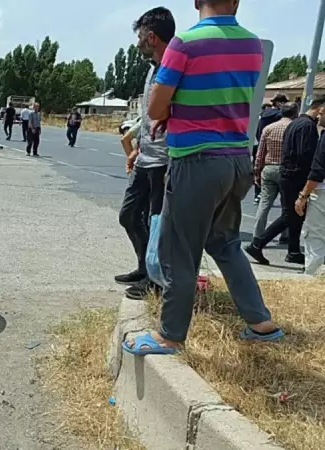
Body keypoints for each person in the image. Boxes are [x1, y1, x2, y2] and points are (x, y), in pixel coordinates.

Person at [124, 0, 282, 356]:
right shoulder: (251, 44)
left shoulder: (185, 43)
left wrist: (172, 111)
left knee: (178, 250)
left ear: (196, 1)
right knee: (224, 242)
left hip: (196, 161)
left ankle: (169, 336)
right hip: (237, 158)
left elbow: (154, 107)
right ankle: (261, 323)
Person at [114, 6, 174, 300]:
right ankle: (144, 266)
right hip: (145, 157)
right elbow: (150, 118)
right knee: (128, 215)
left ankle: (155, 280)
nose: (137, 42)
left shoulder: (173, 68)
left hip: (164, 161)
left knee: (156, 221)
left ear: (151, 37)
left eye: (140, 37)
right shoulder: (153, 69)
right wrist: (136, 148)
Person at [245, 96, 325, 265]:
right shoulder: (307, 126)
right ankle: (257, 244)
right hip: (295, 175)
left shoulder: (296, 123)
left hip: (287, 173)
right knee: (290, 215)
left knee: (296, 215)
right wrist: (309, 180)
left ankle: (293, 251)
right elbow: (305, 154)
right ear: (319, 108)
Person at [250, 103, 297, 243]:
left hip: (269, 168)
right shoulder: (294, 128)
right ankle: (285, 235)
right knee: (286, 205)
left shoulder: (268, 128)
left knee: (264, 204)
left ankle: (257, 235)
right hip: (285, 170)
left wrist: (257, 172)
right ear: (295, 113)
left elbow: (260, 153)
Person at [295, 120, 325, 275]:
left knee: (315, 235)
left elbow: (318, 169)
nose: (319, 118)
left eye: (322, 113)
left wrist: (303, 195)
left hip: (322, 193)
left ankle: (314, 276)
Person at [252, 94, 290, 203]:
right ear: (279, 103)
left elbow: (259, 132)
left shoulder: (263, 115)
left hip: (261, 144)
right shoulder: (279, 116)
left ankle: (257, 194)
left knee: (259, 168)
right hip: (275, 149)